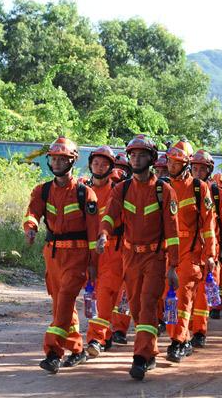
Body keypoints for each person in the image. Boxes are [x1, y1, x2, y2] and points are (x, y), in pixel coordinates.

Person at [96, 134, 180, 380]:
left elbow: (173, 233)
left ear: (152, 159)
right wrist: (103, 234)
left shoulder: (164, 191)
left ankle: (140, 357)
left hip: (154, 257)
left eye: (142, 154)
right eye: (132, 155)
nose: (136, 159)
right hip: (129, 256)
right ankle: (150, 350)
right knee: (134, 305)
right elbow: (109, 216)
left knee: (147, 305)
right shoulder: (121, 189)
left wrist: (172, 266)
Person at [23, 136, 99, 374]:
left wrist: (94, 265)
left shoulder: (85, 194)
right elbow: (32, 213)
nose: (56, 163)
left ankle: (53, 353)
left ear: (72, 161)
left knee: (65, 299)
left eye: (62, 159)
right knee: (61, 306)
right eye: (54, 158)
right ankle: (77, 350)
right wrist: (31, 227)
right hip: (53, 256)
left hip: (77, 256)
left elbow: (94, 235)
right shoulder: (42, 191)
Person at [164, 141, 216, 363]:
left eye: (176, 162)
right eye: (169, 161)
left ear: (185, 164)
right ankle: (182, 338)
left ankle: (177, 341)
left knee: (183, 297)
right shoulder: (163, 187)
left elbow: (209, 224)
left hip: (190, 253)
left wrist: (210, 254)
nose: (171, 166)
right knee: (169, 299)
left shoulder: (199, 188)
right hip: (167, 252)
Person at [190, 149, 222, 341]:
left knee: (204, 294)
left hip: (211, 253)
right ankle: (186, 331)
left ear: (209, 171)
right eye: (195, 168)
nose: (198, 173)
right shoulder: (183, 189)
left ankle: (199, 332)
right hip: (189, 252)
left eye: (202, 169)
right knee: (186, 293)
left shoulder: (219, 195)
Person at [84, 146, 126, 358]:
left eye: (104, 164)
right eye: (96, 163)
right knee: (93, 294)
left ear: (111, 167)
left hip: (113, 250)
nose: (99, 167)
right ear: (90, 165)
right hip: (88, 252)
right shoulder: (83, 190)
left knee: (104, 293)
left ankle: (95, 338)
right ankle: (106, 335)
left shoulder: (118, 191)